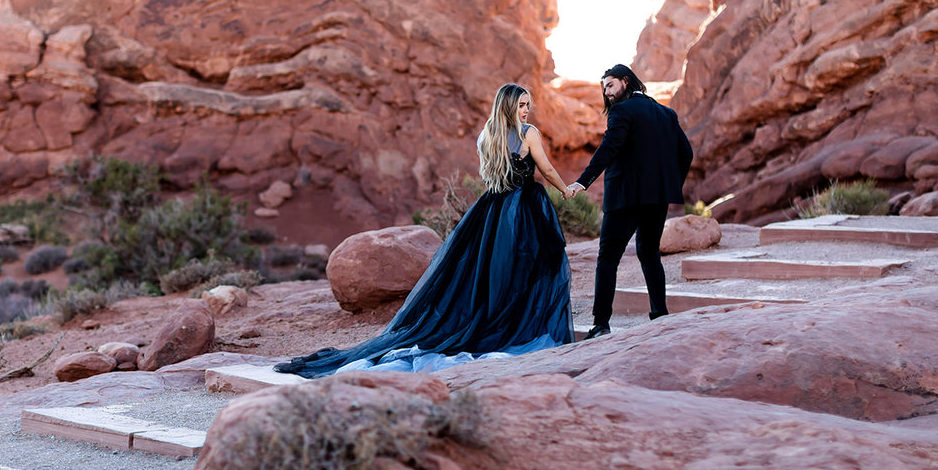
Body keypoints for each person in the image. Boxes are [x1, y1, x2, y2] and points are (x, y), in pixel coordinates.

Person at [275, 83, 575, 378]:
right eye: (521, 105)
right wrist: (565, 189)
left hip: (493, 208)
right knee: (529, 263)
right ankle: (520, 322)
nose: (526, 110)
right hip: (523, 208)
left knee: (493, 270)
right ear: (508, 106)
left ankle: (506, 317)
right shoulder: (528, 133)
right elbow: (546, 169)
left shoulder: (487, 135)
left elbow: (489, 174)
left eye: (527, 105)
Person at [566, 64, 692, 339]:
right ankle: (659, 315)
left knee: (608, 257)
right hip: (657, 199)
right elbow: (686, 154)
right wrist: (668, 186)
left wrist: (583, 181)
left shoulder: (622, 111)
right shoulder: (666, 113)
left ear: (625, 81)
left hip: (624, 198)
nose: (607, 93)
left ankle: (601, 324)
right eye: (604, 88)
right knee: (649, 254)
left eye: (610, 85)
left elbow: (608, 149)